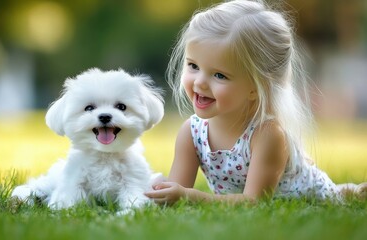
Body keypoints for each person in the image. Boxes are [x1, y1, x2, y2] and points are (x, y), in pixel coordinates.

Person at [144, 0, 367, 205]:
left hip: (313, 195)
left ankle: (349, 191)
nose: (200, 82)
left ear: (256, 87)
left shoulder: (267, 133)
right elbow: (176, 192)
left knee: (336, 194)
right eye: (193, 66)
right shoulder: (191, 133)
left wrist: (192, 197)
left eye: (219, 75)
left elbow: (254, 201)